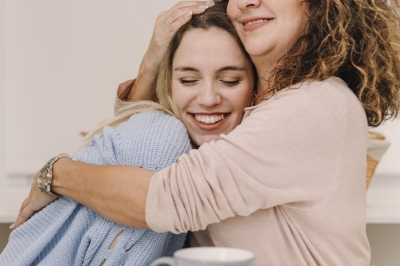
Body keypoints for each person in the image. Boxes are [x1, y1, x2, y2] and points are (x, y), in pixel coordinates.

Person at [12, 0, 400, 265]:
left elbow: (165, 199)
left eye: (229, 78)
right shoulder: (252, 113)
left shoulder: (315, 105)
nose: (246, 0)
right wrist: (152, 65)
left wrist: (55, 173)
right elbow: (140, 142)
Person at [0, 2, 255, 265]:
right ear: (168, 84)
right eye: (188, 80)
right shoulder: (161, 138)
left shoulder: (253, 146)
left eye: (230, 80)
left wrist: (56, 173)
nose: (209, 98)